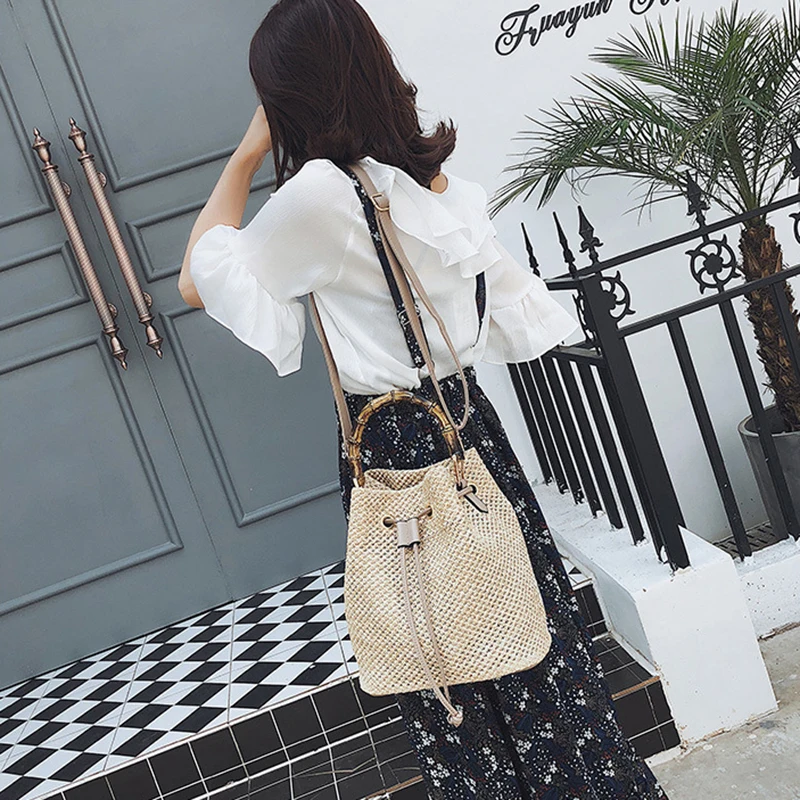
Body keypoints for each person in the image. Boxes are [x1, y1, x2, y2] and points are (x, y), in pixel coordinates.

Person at [178, 1, 670, 798]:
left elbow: (198, 279)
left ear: (289, 91)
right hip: (472, 431)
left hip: (392, 447)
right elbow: (513, 313)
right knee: (528, 642)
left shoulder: (320, 197)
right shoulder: (432, 181)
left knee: (443, 665)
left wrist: (245, 154)